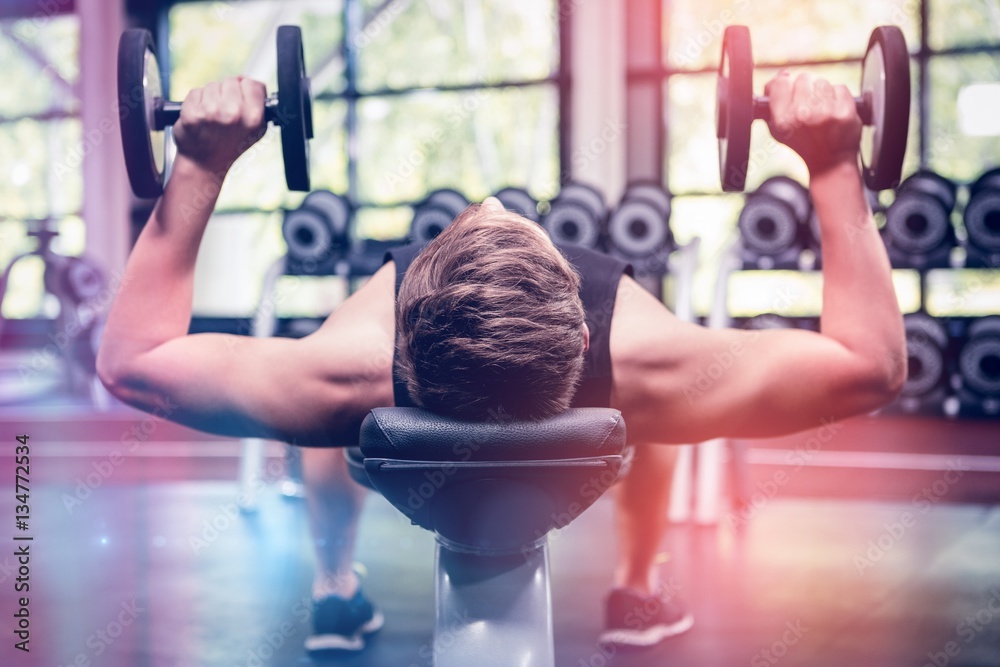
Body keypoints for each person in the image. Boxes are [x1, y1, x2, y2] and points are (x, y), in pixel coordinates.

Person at [96, 72, 906, 652]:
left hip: (365, 384)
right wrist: (834, 166)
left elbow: (132, 360)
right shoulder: (646, 363)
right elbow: (871, 362)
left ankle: (335, 588)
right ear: (588, 332)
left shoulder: (348, 375)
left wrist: (198, 165)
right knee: (665, 419)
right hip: (632, 389)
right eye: (508, 224)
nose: (494, 205)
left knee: (320, 427)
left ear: (400, 331)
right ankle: (634, 583)